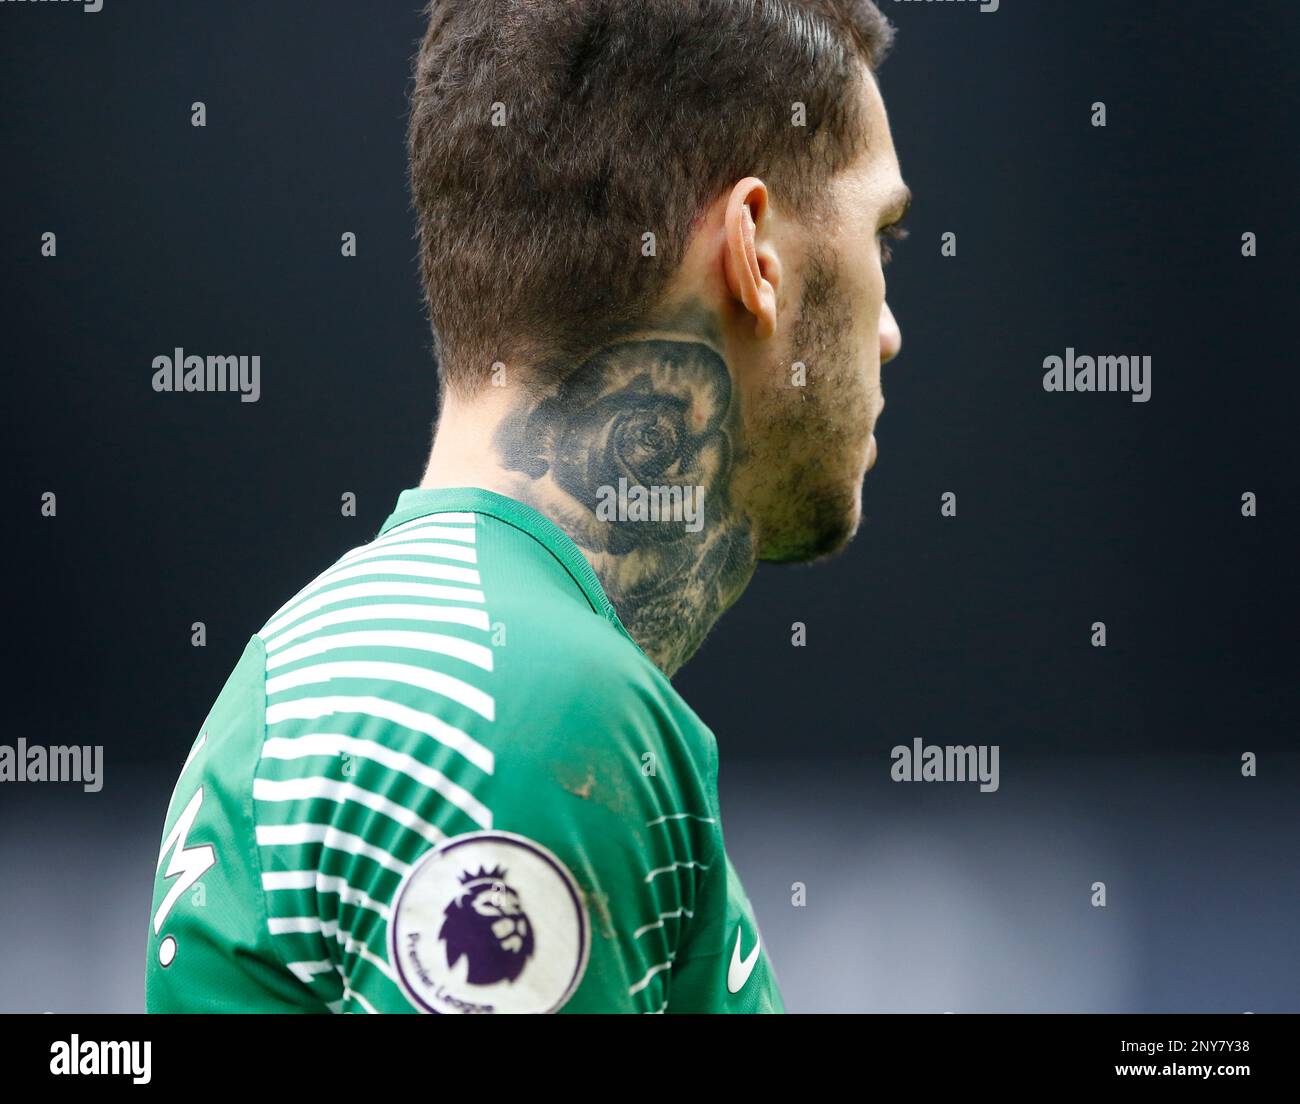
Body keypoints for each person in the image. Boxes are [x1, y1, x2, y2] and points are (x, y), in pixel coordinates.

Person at [147, 0, 908, 1014]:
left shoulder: (339, 658)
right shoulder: (521, 717)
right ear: (755, 252)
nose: (890, 329)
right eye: (884, 239)